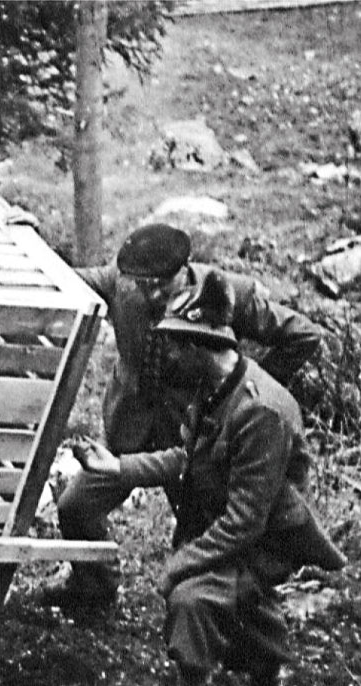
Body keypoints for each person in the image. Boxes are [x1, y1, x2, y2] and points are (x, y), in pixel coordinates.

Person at [71, 270, 345, 686]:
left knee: (194, 596)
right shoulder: (213, 389)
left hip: (268, 539)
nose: (170, 356)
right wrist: (119, 466)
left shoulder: (261, 412)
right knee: (240, 603)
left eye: (178, 346)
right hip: (232, 524)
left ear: (200, 348)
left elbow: (246, 523)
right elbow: (188, 458)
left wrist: (180, 564)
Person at [44, 222, 323, 610]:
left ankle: (245, 631)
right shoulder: (120, 282)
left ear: (186, 267)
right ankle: (94, 587)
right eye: (144, 284)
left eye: (164, 283)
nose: (153, 293)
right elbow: (58, 277)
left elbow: (303, 335)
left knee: (205, 543)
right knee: (75, 506)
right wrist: (20, 232)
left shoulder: (225, 293)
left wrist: (251, 389)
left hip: (196, 440)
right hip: (131, 429)